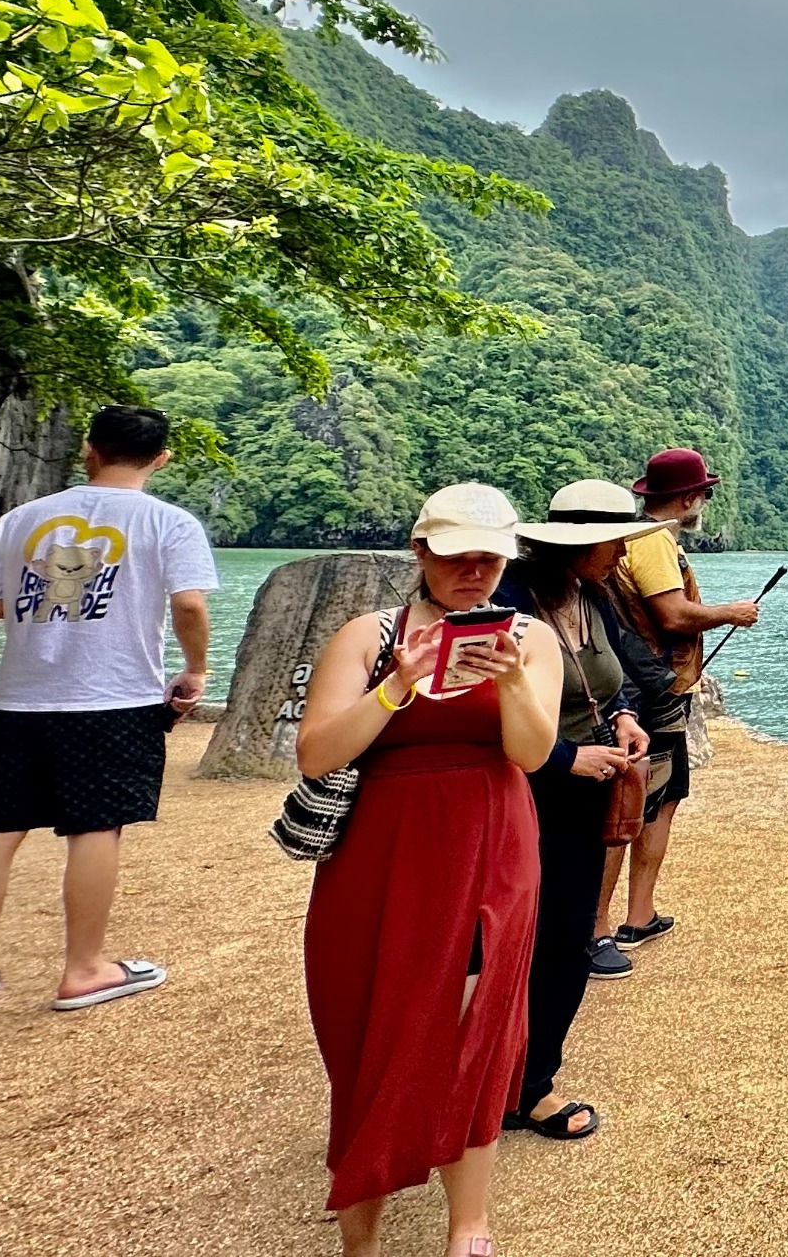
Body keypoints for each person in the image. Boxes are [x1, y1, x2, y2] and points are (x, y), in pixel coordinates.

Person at [297, 482, 561, 1257]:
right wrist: (398, 683)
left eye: (490, 558)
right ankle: (361, 1229)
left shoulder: (532, 639)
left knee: (477, 1025)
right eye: (456, 557)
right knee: (368, 1025)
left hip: (491, 840)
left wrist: (510, 679)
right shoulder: (367, 635)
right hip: (381, 848)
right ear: (421, 554)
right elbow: (317, 751)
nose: (474, 572)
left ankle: (468, 1223)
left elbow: (532, 753)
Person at [0, 405, 217, 1015]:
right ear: (161, 458)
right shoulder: (168, 522)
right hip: (114, 699)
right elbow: (190, 607)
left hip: (19, 699)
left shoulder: (24, 520)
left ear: (89, 450)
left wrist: (33, 604)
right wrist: (196, 669)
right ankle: (83, 970)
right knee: (97, 827)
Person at [492, 481, 664, 1140]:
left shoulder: (594, 598)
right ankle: (483, 1072)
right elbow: (493, 706)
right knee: (500, 939)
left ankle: (531, 1083)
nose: (622, 552)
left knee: (564, 939)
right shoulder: (509, 601)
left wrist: (625, 717)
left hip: (584, 790)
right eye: (614, 539)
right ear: (579, 543)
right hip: (519, 788)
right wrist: (566, 757)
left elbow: (624, 679)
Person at [594, 446, 758, 973]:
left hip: (649, 689)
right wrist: (731, 612)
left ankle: (638, 915)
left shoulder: (637, 540)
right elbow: (671, 614)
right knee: (633, 807)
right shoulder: (653, 543)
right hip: (650, 696)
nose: (704, 501)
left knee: (659, 801)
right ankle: (599, 928)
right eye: (703, 493)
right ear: (688, 498)